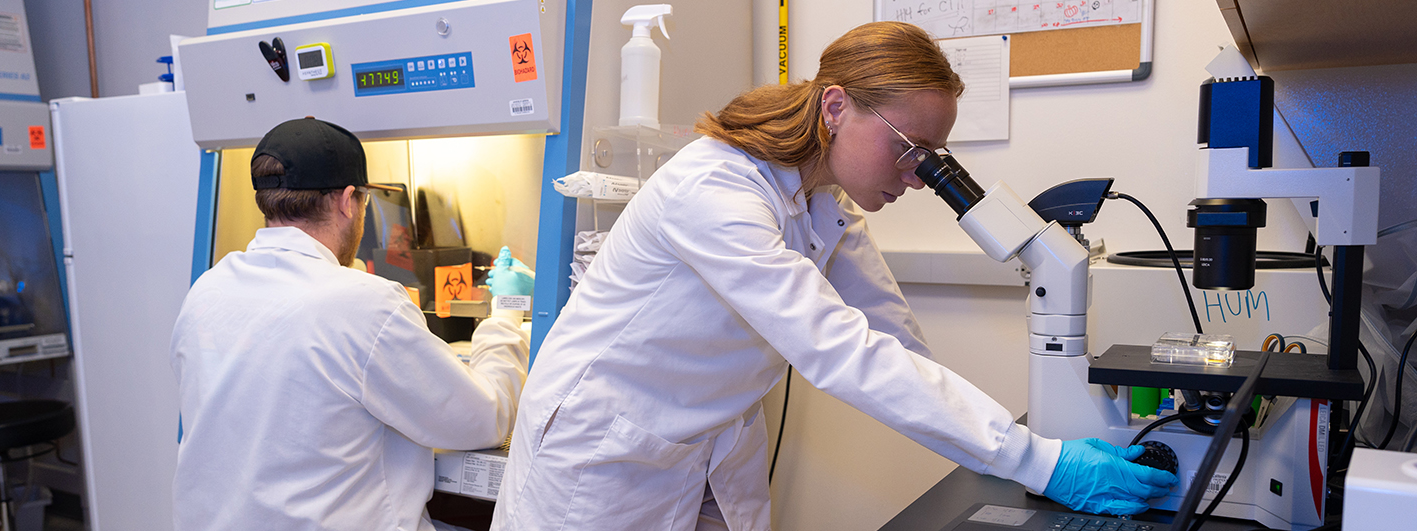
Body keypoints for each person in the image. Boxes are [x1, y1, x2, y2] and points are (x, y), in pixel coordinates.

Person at [492, 22, 1176, 530]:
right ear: (836, 106)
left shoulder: (826, 204)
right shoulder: (715, 191)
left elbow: (899, 351)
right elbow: (840, 351)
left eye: (934, 155)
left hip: (704, 450)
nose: (919, 174)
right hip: (599, 460)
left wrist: (1035, 449)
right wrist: (1041, 462)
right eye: (910, 149)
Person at [170, 117, 530, 531]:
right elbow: (481, 420)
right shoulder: (363, 304)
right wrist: (505, 313)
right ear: (347, 201)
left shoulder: (207, 290)